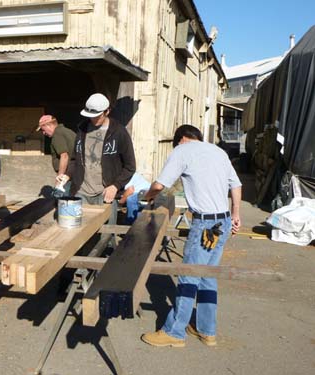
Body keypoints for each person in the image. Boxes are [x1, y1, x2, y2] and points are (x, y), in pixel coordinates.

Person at [141, 124, 241, 348]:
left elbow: (159, 185)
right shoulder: (218, 151)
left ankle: (174, 332)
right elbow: (236, 184)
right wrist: (236, 214)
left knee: (189, 276)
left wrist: (146, 197)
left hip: (205, 224)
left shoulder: (181, 151)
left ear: (180, 140)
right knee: (207, 276)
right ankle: (207, 330)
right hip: (222, 220)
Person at [61, 93, 136, 225]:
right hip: (81, 192)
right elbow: (74, 159)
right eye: (90, 116)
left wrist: (115, 186)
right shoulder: (82, 130)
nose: (93, 119)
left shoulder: (119, 132)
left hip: (105, 194)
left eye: (97, 116)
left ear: (107, 111)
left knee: (106, 237)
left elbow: (130, 167)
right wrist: (67, 175)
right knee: (80, 234)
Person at [36, 115, 75, 196]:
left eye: (43, 130)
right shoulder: (67, 131)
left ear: (49, 125)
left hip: (67, 177)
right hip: (74, 174)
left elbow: (64, 156)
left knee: (61, 201)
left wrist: (59, 180)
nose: (44, 133)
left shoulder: (57, 134)